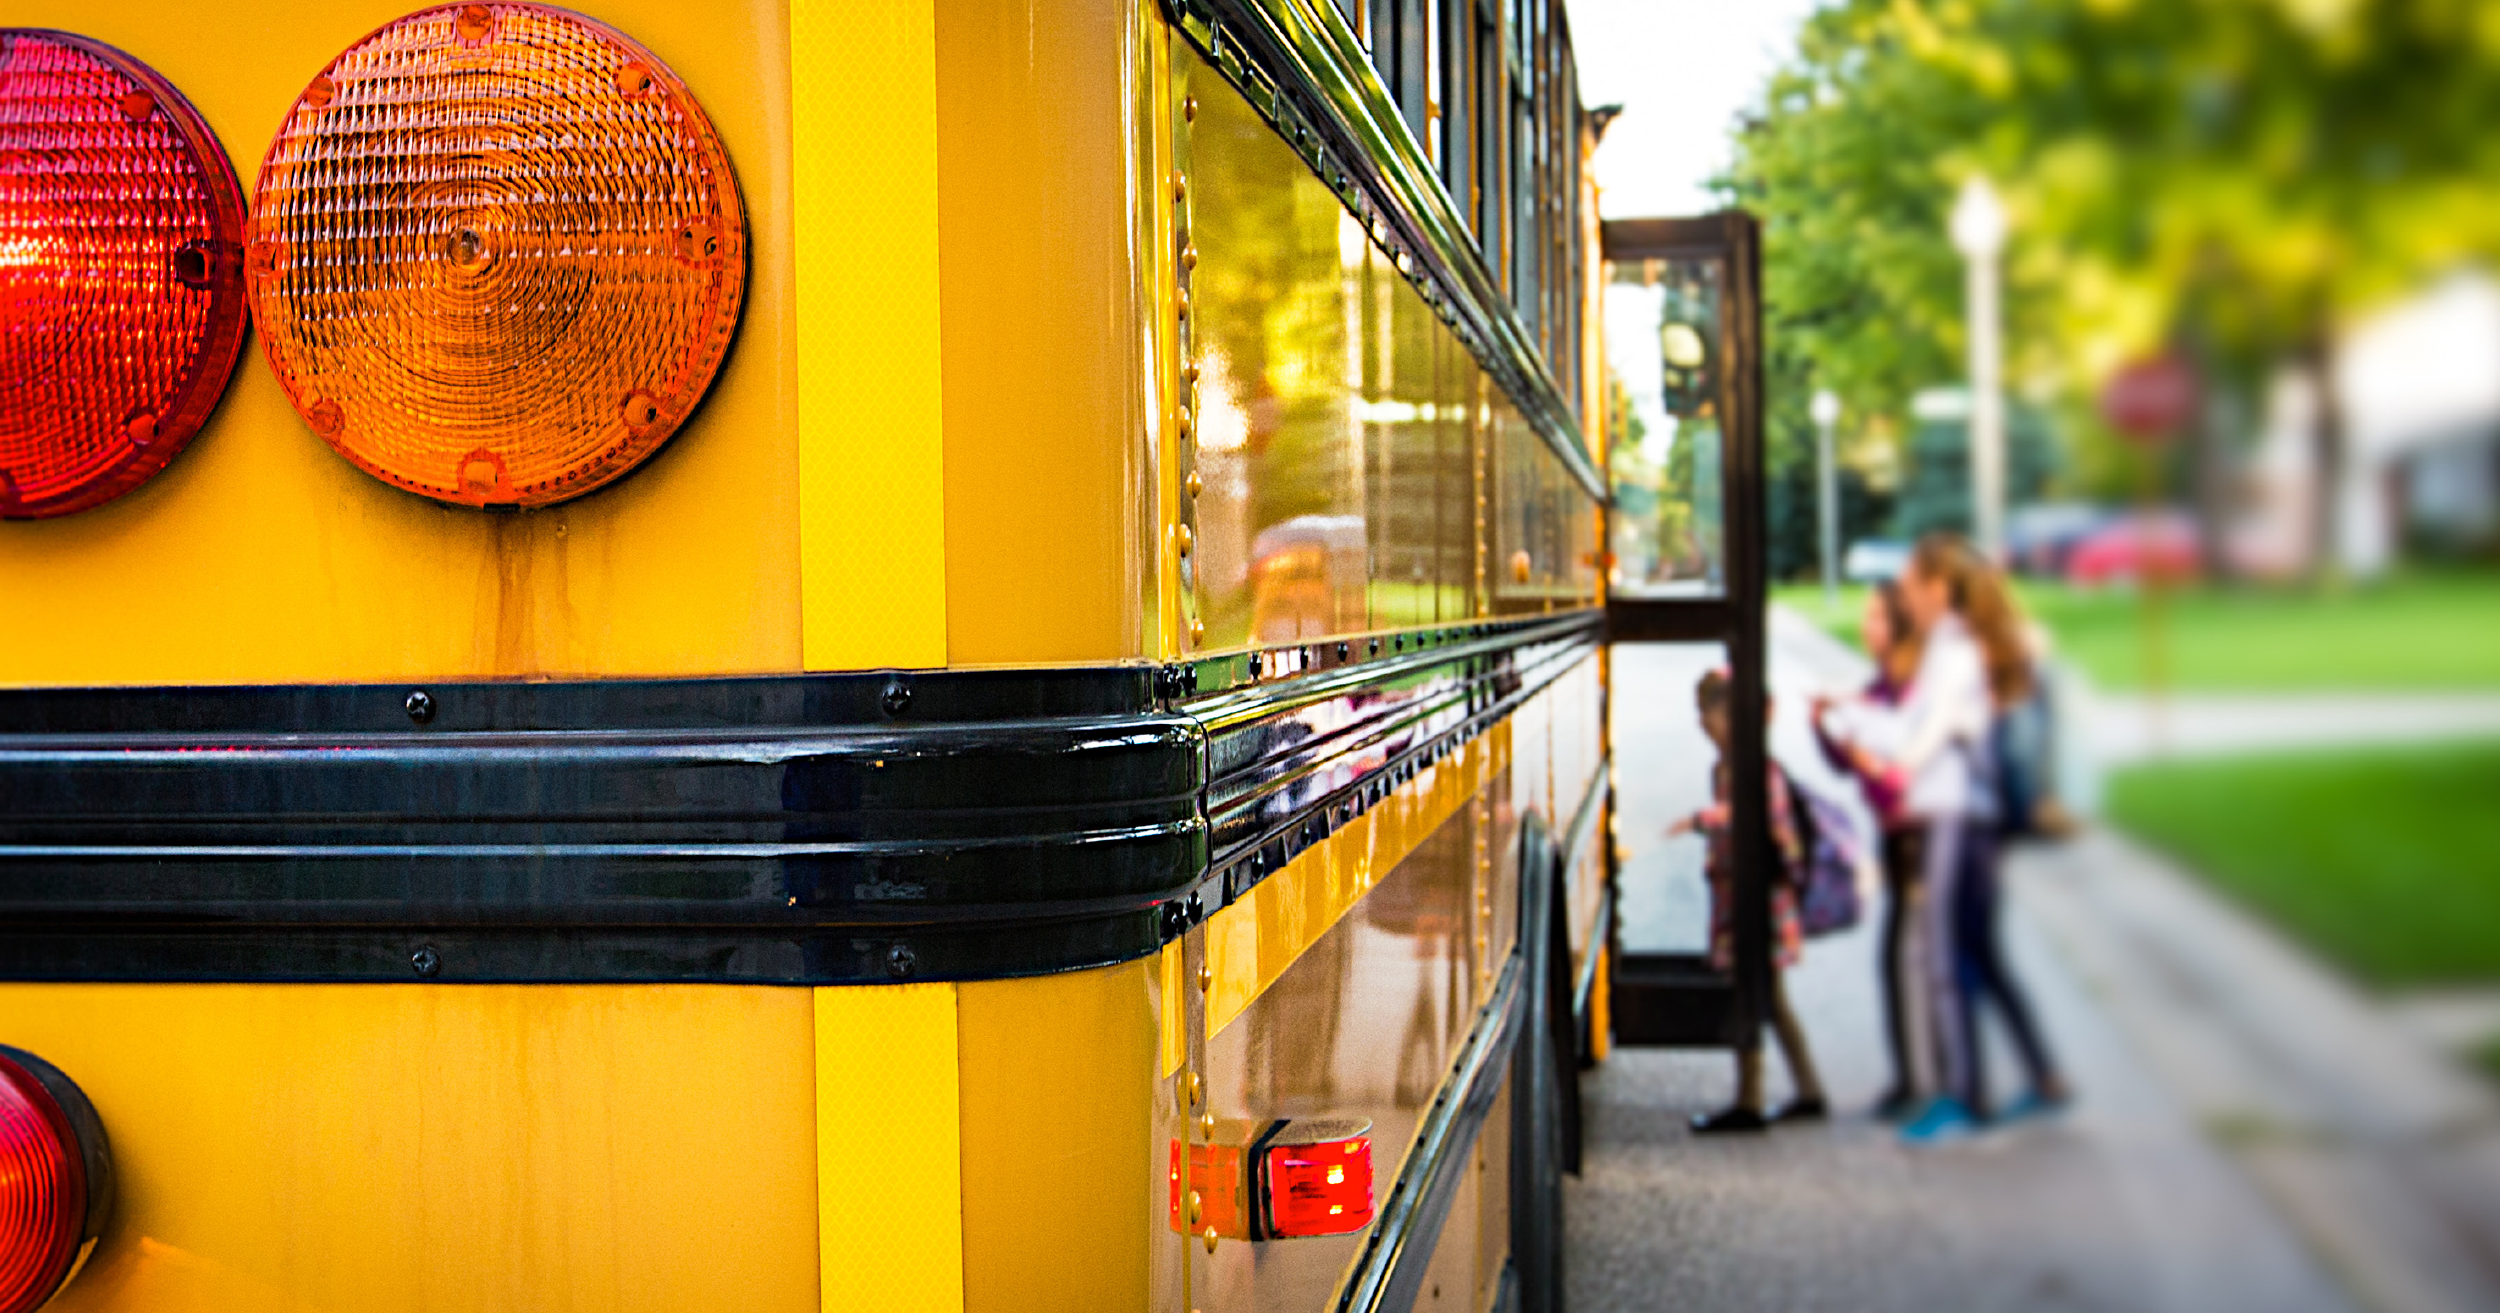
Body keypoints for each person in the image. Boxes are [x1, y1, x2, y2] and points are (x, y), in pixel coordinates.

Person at [1942, 543, 2073, 1122]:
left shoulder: (1984, 660)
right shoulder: (2011, 655)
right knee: (1982, 953)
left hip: (1978, 823)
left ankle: (1975, 1091)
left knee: (1966, 954)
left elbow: (1997, 753)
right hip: (1989, 823)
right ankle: (2043, 1073)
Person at [1672, 669, 1827, 1134]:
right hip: (1739, 898)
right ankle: (1807, 1090)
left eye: (1711, 712)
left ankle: (1751, 1099)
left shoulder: (1754, 768)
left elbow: (1768, 824)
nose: (1703, 722)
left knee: (1753, 995)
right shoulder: (1729, 766)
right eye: (1701, 711)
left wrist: (1707, 819)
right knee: (1771, 999)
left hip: (1756, 903)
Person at [1811, 581, 1931, 1120]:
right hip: (1900, 835)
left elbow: (1895, 775)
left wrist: (1859, 754)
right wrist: (1824, 731)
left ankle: (1927, 1082)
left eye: (1877, 618)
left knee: (1920, 959)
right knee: (1915, 960)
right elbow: (1847, 764)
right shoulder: (1883, 686)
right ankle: (1920, 1079)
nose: (1866, 627)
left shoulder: (1910, 690)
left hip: (1922, 838)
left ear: (1900, 626)